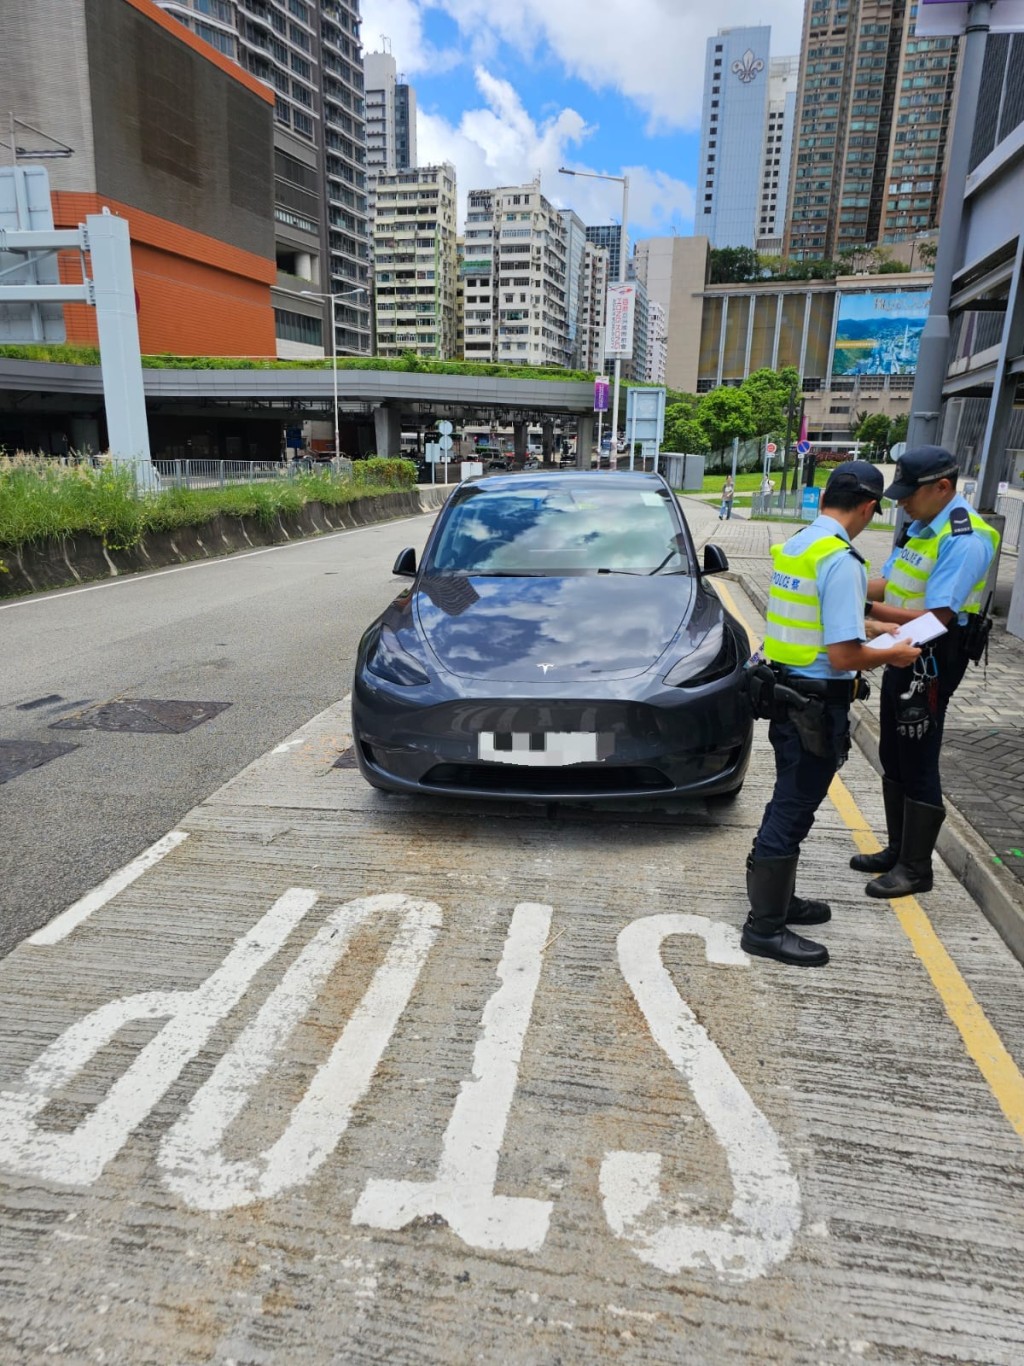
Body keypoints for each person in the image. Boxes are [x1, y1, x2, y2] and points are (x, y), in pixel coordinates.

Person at [743, 461, 921, 967]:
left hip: (786, 695)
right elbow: (844, 656)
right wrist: (894, 652)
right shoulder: (841, 560)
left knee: (787, 800)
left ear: (824, 499)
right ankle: (764, 928)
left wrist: (881, 628)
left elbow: (825, 623)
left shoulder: (799, 545)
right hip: (816, 704)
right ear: (867, 508)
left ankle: (778, 901)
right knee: (793, 808)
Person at [853, 445, 1000, 899]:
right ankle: (898, 850)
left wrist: (865, 611)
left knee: (918, 752)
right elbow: (892, 582)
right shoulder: (922, 527)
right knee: (894, 750)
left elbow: (939, 617)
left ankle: (916, 869)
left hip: (934, 656)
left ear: (943, 488)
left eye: (908, 494)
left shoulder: (964, 537)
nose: (901, 503)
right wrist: (840, 579)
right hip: (905, 649)